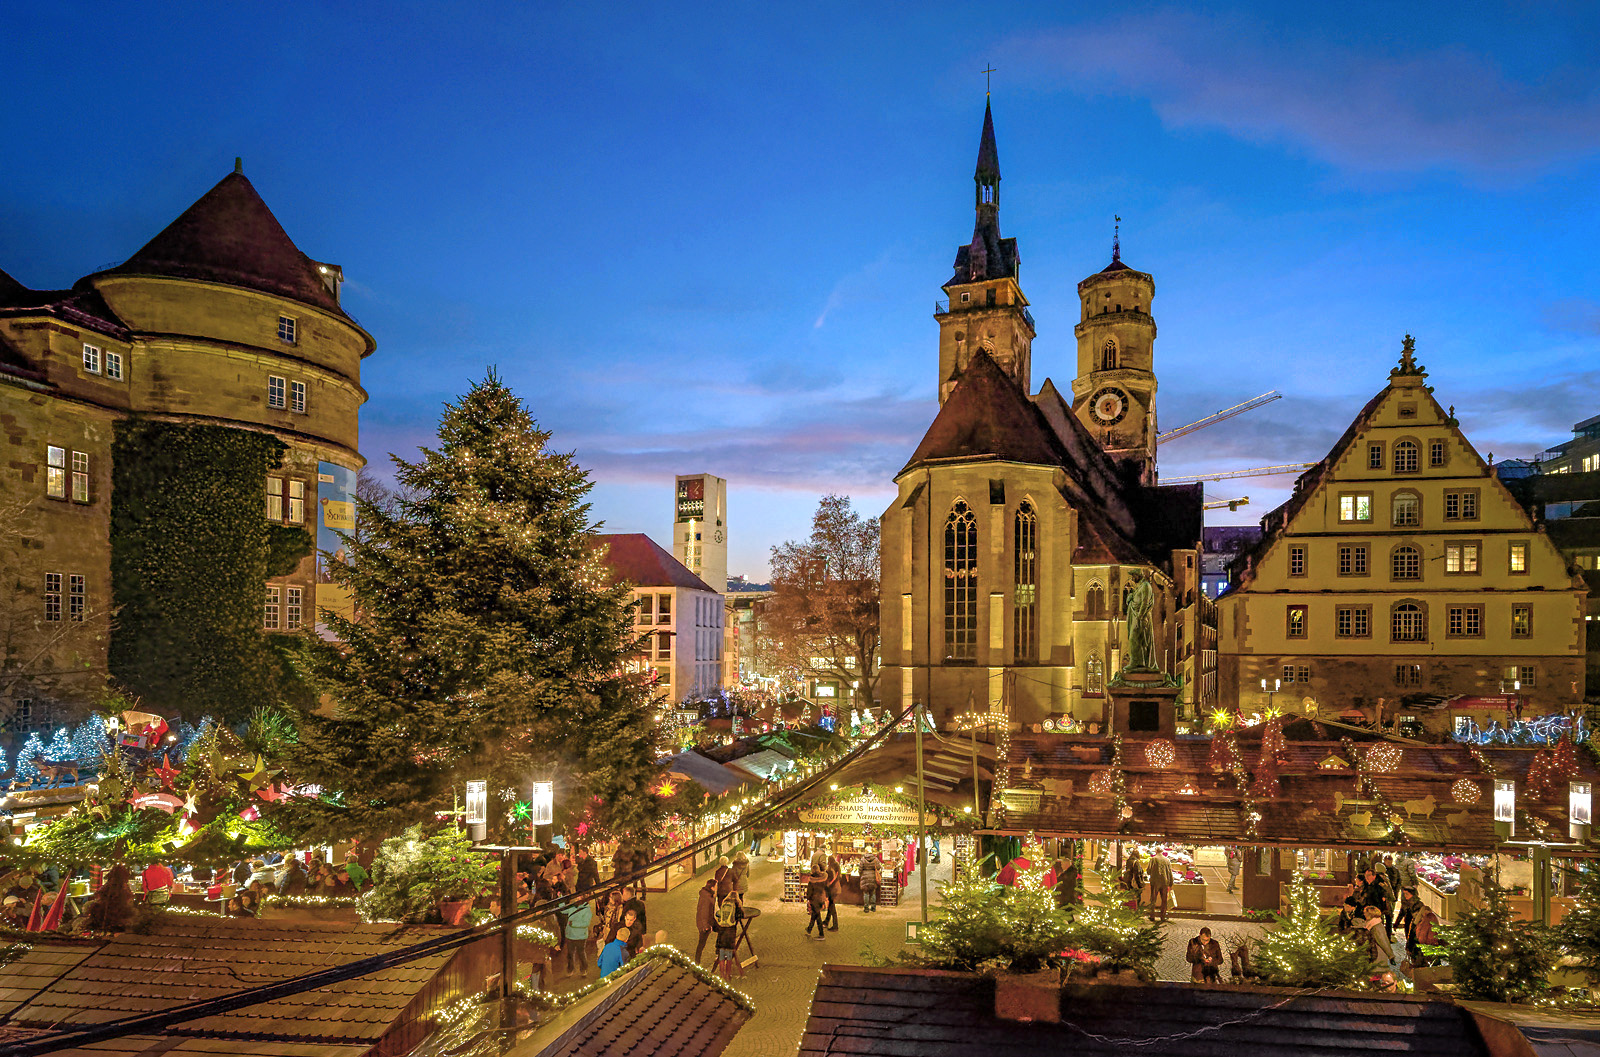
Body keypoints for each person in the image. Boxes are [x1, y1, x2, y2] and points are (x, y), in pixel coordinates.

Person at [563, 898, 593, 976]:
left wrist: (573, 924)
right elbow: (562, 910)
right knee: (570, 954)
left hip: (580, 936)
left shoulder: (587, 910)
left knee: (581, 953)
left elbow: (586, 923)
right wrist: (561, 900)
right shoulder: (572, 907)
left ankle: (583, 969)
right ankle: (570, 969)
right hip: (570, 935)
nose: (576, 899)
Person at [1361, 904, 1394, 971]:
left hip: (1378, 955)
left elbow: (1383, 942)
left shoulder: (1376, 927)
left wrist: (1391, 956)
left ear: (1370, 914)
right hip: (1374, 953)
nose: (1364, 914)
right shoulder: (1371, 924)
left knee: (1376, 974)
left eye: (1365, 912)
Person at [693, 876, 718, 964]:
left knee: (722, 930)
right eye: (716, 886)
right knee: (702, 943)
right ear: (712, 888)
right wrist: (706, 926)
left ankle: (718, 951)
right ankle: (697, 961)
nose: (717, 888)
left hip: (710, 920)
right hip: (705, 924)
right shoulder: (707, 898)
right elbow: (703, 913)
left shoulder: (707, 895)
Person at [1147, 852, 1174, 922]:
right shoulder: (1167, 860)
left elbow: (1148, 871)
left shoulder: (1153, 859)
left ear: (1156, 852)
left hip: (1155, 882)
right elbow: (1170, 872)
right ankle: (1163, 916)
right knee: (1164, 900)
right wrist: (1171, 883)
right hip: (1165, 882)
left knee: (1153, 899)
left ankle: (1152, 915)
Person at [804, 865, 828, 938]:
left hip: (815, 900)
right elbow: (826, 888)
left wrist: (808, 898)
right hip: (821, 898)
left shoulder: (812, 881)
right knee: (814, 915)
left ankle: (821, 934)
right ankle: (809, 929)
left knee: (818, 917)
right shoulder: (823, 878)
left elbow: (809, 892)